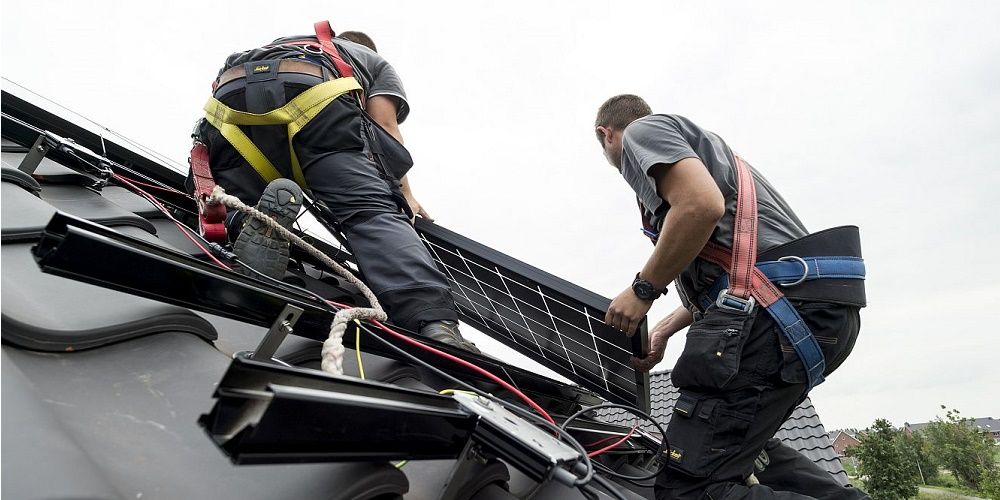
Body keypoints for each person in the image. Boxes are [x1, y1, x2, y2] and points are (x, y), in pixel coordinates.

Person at [594, 95, 869, 499]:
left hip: (780, 313)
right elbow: (730, 272)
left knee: (690, 490)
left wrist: (643, 289)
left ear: (606, 135)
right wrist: (665, 331)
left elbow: (700, 206)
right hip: (804, 306)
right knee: (742, 451)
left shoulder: (642, 132)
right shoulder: (705, 150)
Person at [188, 21, 477, 352]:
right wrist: (403, 194)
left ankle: (247, 226)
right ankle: (433, 322)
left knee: (237, 194)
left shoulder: (282, 43)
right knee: (369, 213)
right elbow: (383, 125)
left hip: (231, 103)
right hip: (314, 96)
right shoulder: (371, 59)